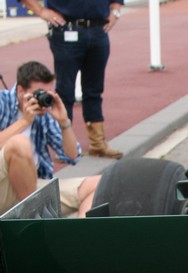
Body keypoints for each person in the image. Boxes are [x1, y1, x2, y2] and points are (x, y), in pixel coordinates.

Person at [19, 0, 123, 159]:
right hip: (67, 29)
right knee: (65, 92)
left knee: (94, 90)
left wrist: (115, 11)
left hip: (99, 29)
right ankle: (63, 147)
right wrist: (41, 11)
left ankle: (97, 143)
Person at [0, 61, 99, 217]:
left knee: (98, 185)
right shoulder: (2, 101)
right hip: (4, 185)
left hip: (32, 186)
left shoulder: (43, 112)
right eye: (39, 93)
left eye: (48, 93)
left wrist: (64, 122)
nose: (43, 99)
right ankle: (34, 221)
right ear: (20, 90)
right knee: (19, 144)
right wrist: (24, 122)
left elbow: (72, 156)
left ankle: (80, 232)